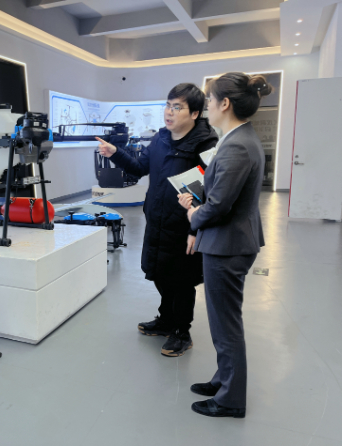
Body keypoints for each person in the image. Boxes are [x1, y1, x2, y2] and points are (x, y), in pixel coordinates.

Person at [97, 83, 218, 357]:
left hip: (185, 224)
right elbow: (140, 168)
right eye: (168, 105)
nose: (169, 112)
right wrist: (115, 153)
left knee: (182, 280)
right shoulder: (161, 138)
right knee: (160, 272)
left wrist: (196, 228)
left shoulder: (205, 145)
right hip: (157, 218)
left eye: (177, 107)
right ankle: (166, 320)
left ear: (195, 113)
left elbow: (211, 191)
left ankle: (181, 331)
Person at [178, 72, 272, 418]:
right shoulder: (239, 138)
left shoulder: (236, 145)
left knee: (226, 324)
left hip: (227, 245)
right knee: (222, 321)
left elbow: (219, 206)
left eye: (209, 100)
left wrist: (194, 215)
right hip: (230, 241)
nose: (207, 107)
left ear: (225, 103)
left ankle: (231, 399)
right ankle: (223, 380)